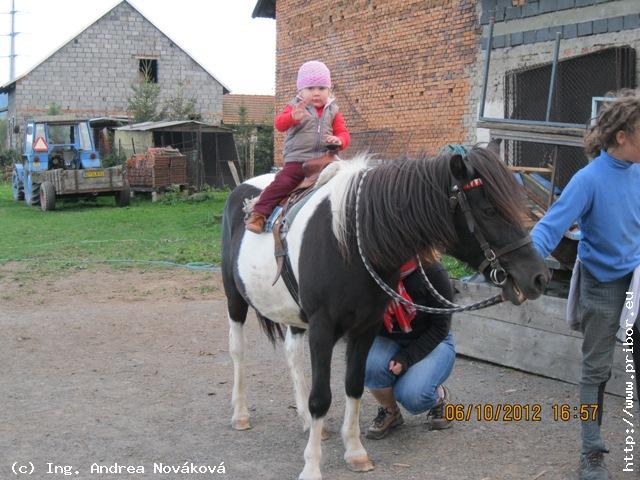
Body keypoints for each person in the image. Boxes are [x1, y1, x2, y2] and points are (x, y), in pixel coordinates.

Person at [531, 89, 640, 480]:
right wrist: (523, 267)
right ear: (622, 136)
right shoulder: (589, 179)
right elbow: (549, 227)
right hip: (602, 284)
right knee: (596, 369)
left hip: (638, 281)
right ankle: (591, 453)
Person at [245, 60, 350, 233]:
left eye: (322, 88)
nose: (316, 93)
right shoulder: (295, 106)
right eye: (310, 88)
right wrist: (292, 117)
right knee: (283, 182)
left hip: (326, 161)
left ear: (329, 89)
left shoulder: (333, 111)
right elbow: (279, 124)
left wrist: (339, 140)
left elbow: (343, 133)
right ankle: (259, 214)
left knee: (347, 180)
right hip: (298, 161)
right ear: (300, 90)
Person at [364, 259, 455, 439]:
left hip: (434, 340)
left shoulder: (432, 271)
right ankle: (390, 411)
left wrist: (406, 358)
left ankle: (440, 397)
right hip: (389, 338)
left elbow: (440, 328)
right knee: (368, 366)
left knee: (414, 396)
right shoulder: (371, 272)